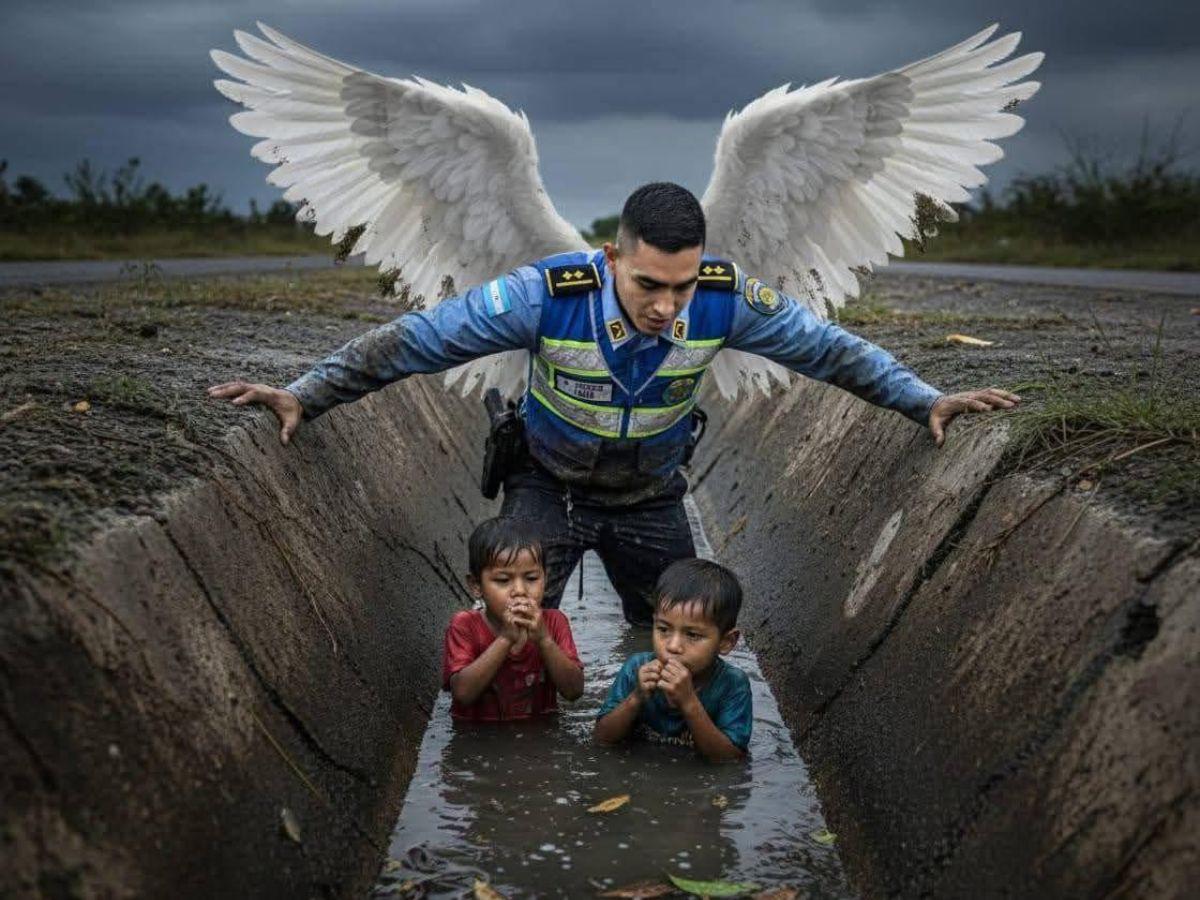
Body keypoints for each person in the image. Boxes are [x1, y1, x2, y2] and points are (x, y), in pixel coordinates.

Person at [208, 182, 1019, 626]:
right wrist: (305, 393)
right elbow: (416, 342)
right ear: (610, 260)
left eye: (684, 285)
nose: (669, 307)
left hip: (651, 498)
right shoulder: (543, 293)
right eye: (648, 285)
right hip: (545, 486)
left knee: (678, 640)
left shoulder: (727, 298)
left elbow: (830, 350)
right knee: (510, 646)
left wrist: (924, 399)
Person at [594, 559, 751, 762]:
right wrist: (636, 697)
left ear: (726, 642)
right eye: (663, 629)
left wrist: (689, 702)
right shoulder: (636, 669)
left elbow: (730, 758)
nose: (673, 646)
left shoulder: (732, 684)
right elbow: (601, 738)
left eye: (693, 635)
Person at [443, 517, 583, 722]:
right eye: (503, 580)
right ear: (476, 586)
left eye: (532, 578)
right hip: (480, 737)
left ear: (546, 578)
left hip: (537, 737)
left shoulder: (554, 623)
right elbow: (462, 694)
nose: (519, 591)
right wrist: (505, 639)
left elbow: (574, 691)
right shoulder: (464, 625)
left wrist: (545, 641)